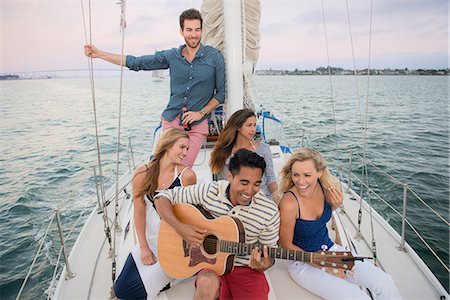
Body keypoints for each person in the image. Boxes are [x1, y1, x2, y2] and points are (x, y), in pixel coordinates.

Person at [84, 8, 225, 168]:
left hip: (197, 125)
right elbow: (137, 62)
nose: (194, 34)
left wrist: (201, 113)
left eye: (197, 30)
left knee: (182, 169)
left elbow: (221, 94)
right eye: (189, 30)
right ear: (181, 31)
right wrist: (99, 54)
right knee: (162, 167)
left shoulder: (214, 57)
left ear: (202, 30)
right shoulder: (172, 56)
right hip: (172, 121)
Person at [154, 148, 280, 300]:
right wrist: (181, 229)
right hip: (210, 267)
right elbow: (162, 197)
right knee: (206, 283)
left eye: (256, 184)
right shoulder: (210, 191)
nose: (250, 190)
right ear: (230, 176)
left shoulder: (269, 211)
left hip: (247, 270)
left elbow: (270, 253)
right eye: (244, 182)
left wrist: (265, 263)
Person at [278, 148, 402, 300]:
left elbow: (323, 218)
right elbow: (285, 245)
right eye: (296, 175)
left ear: (319, 173)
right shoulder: (289, 203)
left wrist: (334, 206)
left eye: (307, 175)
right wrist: (323, 263)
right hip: (302, 262)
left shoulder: (325, 190)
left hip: (330, 250)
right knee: (358, 297)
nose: (300, 181)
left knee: (385, 282)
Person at [114, 128, 196, 300]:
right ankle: (171, 277)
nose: (185, 153)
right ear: (167, 145)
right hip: (149, 242)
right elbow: (139, 212)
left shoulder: (187, 176)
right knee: (120, 288)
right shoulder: (142, 174)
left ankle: (175, 276)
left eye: (187, 149)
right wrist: (143, 247)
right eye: (181, 147)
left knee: (134, 293)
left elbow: (189, 215)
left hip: (174, 246)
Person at [209, 108, 280, 203]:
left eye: (254, 125)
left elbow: (271, 178)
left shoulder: (264, 148)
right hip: (234, 199)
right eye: (249, 125)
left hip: (262, 198)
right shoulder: (223, 151)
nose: (253, 129)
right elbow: (221, 180)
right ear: (238, 127)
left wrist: (277, 195)